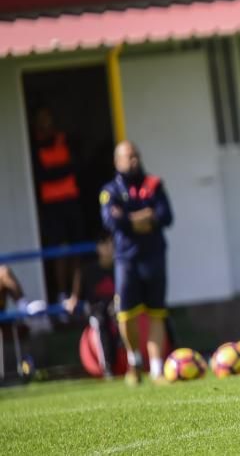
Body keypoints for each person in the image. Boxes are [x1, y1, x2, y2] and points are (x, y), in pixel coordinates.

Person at [99, 141, 173, 385]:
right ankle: (134, 362)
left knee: (156, 313)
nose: (133, 160)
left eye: (136, 155)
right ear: (117, 161)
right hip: (126, 260)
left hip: (154, 257)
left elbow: (165, 216)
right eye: (128, 156)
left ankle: (156, 369)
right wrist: (143, 217)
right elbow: (113, 222)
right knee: (126, 316)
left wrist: (129, 218)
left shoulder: (154, 185)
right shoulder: (110, 191)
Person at [30, 106, 87, 301]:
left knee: (77, 249)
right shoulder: (34, 146)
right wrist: (63, 171)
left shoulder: (65, 140)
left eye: (48, 117)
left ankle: (76, 294)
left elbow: (76, 166)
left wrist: (57, 172)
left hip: (71, 201)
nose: (45, 121)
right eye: (41, 118)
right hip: (52, 206)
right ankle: (63, 294)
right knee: (60, 250)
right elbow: (42, 175)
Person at [63, 233, 118, 378]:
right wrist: (74, 297)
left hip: (115, 306)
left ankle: (131, 360)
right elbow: (78, 277)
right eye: (105, 244)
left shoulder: (120, 268)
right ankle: (107, 367)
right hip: (96, 308)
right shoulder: (88, 270)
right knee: (100, 321)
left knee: (121, 316)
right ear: (98, 248)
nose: (109, 248)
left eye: (111, 244)